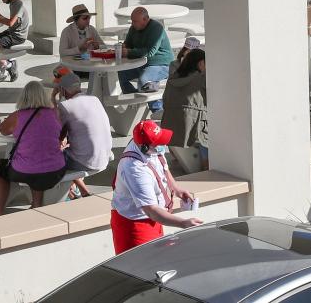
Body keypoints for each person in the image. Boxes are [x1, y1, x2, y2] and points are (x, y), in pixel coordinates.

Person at [110, 120, 202, 253]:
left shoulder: (151, 146)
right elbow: (151, 210)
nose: (163, 146)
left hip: (156, 218)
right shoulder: (134, 168)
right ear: (144, 147)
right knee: (141, 268)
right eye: (159, 143)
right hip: (135, 226)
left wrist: (175, 188)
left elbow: (163, 167)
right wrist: (183, 223)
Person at [0, 81, 66, 215]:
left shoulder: (18, 115)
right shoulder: (54, 113)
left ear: (23, 97)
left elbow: (3, 130)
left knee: (3, 174)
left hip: (24, 171)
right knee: (38, 161)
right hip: (56, 170)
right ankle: (36, 204)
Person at [55, 73, 114, 199]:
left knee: (52, 155)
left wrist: (53, 99)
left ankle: (72, 191)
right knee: (70, 149)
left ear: (63, 90)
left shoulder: (65, 106)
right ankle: (81, 191)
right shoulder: (94, 99)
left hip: (87, 161)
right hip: (105, 156)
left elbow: (54, 130)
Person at [118, 7, 174, 115]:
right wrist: (122, 47)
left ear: (145, 19)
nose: (133, 24)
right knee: (122, 73)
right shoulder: (134, 28)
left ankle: (158, 112)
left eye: (135, 21)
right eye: (132, 21)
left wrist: (128, 52)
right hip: (143, 63)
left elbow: (150, 51)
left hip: (161, 64)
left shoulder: (156, 28)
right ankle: (136, 103)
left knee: (144, 80)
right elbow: (128, 44)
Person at [160, 48, 208, 170]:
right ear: (201, 63)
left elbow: (164, 101)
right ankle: (206, 165)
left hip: (171, 128)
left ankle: (177, 157)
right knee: (208, 128)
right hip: (192, 131)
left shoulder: (172, 79)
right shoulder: (201, 79)